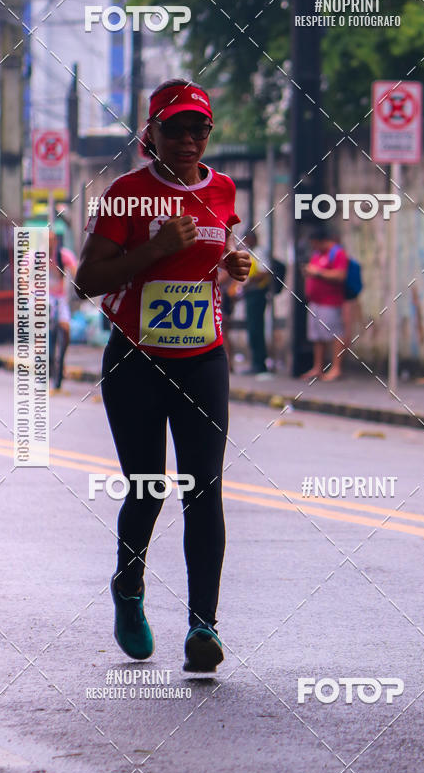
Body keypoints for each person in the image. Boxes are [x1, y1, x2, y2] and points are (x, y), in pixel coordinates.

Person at [75, 79, 251, 672]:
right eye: (173, 128)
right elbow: (87, 280)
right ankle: (128, 590)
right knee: (148, 487)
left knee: (204, 489)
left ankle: (204, 625)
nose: (187, 139)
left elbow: (212, 257)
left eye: (198, 128)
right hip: (136, 361)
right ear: (151, 133)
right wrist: (154, 249)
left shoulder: (222, 189)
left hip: (203, 358)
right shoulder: (126, 194)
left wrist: (232, 263)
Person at [302, 228, 348, 382]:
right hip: (315, 301)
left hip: (330, 301)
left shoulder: (337, 253)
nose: (313, 247)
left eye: (314, 244)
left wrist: (317, 273)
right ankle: (318, 367)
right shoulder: (317, 254)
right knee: (317, 336)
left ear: (321, 241)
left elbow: (340, 275)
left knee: (335, 334)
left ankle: (336, 368)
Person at [48, 231, 77, 393]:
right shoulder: (34, 257)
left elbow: (75, 271)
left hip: (60, 298)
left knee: (65, 329)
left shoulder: (63, 255)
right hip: (41, 297)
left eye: (51, 240)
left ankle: (62, 360)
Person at [240, 230, 272, 375]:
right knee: (252, 329)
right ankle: (255, 362)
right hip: (250, 294)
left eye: (246, 240)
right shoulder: (251, 252)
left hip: (257, 294)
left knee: (256, 329)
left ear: (252, 239)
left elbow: (264, 272)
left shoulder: (260, 252)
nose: (245, 243)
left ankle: (259, 364)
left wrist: (248, 282)